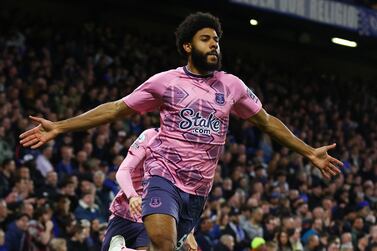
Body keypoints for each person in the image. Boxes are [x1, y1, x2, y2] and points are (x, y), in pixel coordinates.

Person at [20, 12, 342, 251]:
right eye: (206, 39)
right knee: (162, 243)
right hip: (163, 177)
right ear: (188, 46)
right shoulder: (165, 83)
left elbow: (268, 121)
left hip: (198, 191)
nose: (214, 44)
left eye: (217, 40)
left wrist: (309, 151)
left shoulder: (232, 87)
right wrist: (61, 126)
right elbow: (117, 108)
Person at [103, 128, 197, 251]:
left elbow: (188, 193)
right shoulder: (150, 136)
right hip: (125, 212)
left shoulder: (191, 150)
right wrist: (132, 196)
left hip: (156, 213)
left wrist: (189, 231)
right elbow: (123, 171)